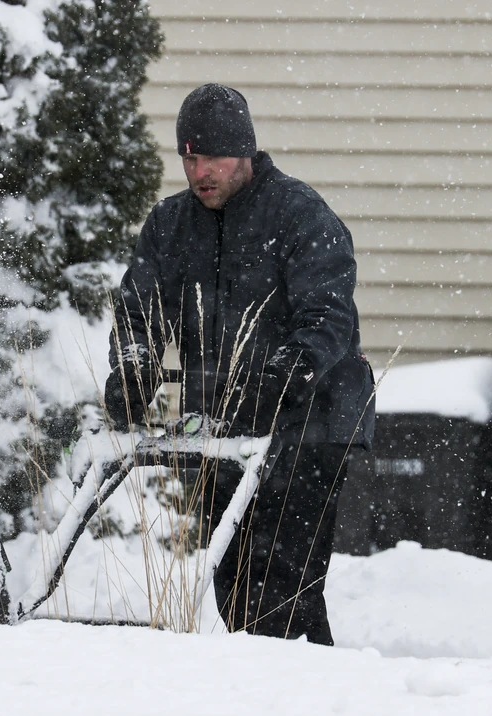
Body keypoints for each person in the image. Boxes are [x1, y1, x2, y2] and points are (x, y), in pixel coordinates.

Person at [104, 83, 375, 645]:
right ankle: (278, 697)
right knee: (235, 582)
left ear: (246, 153)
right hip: (223, 428)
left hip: (312, 422)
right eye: (190, 156)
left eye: (214, 157)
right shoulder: (170, 225)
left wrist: (282, 375)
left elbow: (327, 317)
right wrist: (135, 369)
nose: (200, 170)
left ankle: (309, 699)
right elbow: (139, 312)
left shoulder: (299, 215)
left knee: (281, 581)